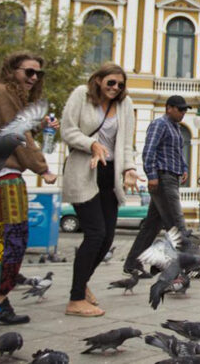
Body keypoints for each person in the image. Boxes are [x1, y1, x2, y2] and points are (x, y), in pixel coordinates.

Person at [0, 51, 58, 324]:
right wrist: (42, 167)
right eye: (28, 72)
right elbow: (17, 137)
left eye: (38, 74)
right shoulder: (2, 93)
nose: (33, 78)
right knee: (10, 240)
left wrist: (40, 126)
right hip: (3, 179)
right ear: (11, 70)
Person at [61, 63, 141, 317]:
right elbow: (68, 130)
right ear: (98, 80)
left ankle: (81, 284)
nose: (115, 88)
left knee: (106, 239)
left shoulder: (124, 104)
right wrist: (92, 144)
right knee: (95, 233)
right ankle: (75, 299)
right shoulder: (80, 96)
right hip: (84, 170)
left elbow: (125, 142)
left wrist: (129, 168)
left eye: (120, 85)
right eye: (111, 83)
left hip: (110, 174)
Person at [123, 95, 191, 277]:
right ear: (169, 108)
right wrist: (152, 176)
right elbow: (149, 151)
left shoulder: (176, 128)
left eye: (185, 110)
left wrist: (184, 168)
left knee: (152, 226)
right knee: (176, 224)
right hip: (163, 179)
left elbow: (178, 152)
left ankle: (132, 264)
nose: (183, 112)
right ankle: (186, 265)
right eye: (180, 109)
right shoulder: (159, 124)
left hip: (172, 178)